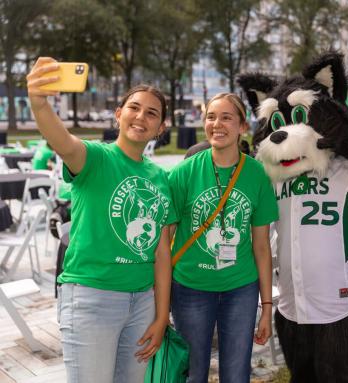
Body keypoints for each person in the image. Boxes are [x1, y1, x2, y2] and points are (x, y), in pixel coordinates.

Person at [27, 57, 177, 383]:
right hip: (91, 298)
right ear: (118, 114)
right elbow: (60, 139)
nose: (141, 116)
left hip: (142, 304)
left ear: (161, 127)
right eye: (134, 108)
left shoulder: (160, 178)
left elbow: (162, 252)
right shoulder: (95, 157)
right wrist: (39, 102)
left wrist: (161, 314)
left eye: (152, 113)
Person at [168, 93, 278, 383]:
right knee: (193, 374)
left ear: (242, 126)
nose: (217, 124)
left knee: (237, 374)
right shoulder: (183, 173)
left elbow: (262, 247)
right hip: (190, 287)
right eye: (211, 117)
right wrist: (159, 301)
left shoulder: (257, 175)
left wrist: (266, 308)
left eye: (226, 117)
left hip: (240, 289)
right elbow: (163, 243)